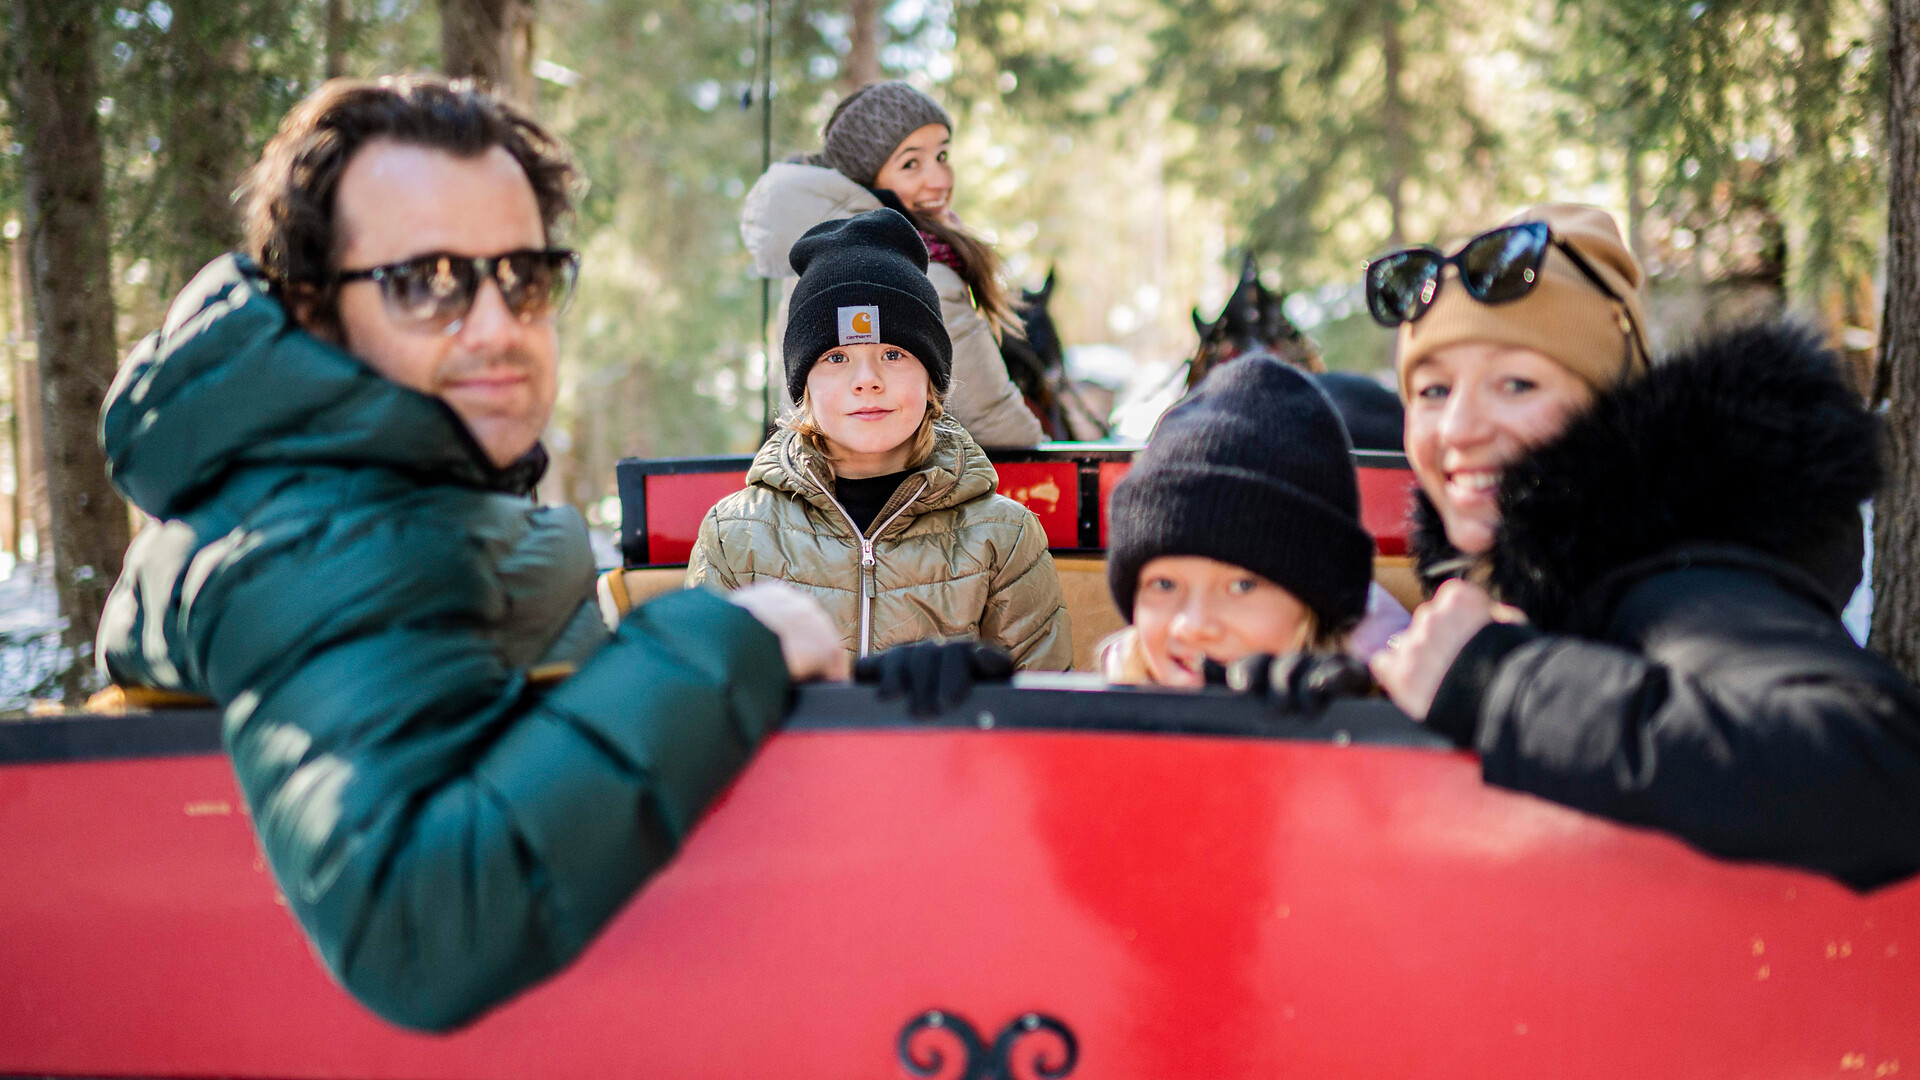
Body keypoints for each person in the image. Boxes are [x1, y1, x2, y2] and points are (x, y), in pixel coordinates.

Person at [93, 76, 848, 1032]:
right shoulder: (320, 526)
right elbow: (421, 933)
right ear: (315, 309)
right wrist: (735, 638)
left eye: (523, 278)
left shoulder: (347, 483)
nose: (495, 327)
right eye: (426, 284)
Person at [1365, 203, 1920, 889]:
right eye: (1432, 389)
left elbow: (1881, 769)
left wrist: (1505, 686)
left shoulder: (1677, 581)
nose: (1460, 426)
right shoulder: (1529, 580)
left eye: (1516, 384)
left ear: (1605, 400)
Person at [688, 209, 1071, 670]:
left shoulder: (1005, 539)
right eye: (835, 357)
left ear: (931, 376)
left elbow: (1040, 718)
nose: (867, 380)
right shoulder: (735, 536)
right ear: (802, 383)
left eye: (893, 353)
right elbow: (705, 707)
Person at [742, 80, 1044, 447]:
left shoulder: (813, 264)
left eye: (942, 156)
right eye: (911, 164)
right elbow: (998, 426)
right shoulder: (916, 276)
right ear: (868, 179)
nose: (940, 180)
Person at [1100, 355, 1394, 685]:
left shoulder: (1388, 716)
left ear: (1315, 606)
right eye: (1164, 584)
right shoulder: (1094, 719)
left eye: (1242, 586)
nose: (1193, 625)